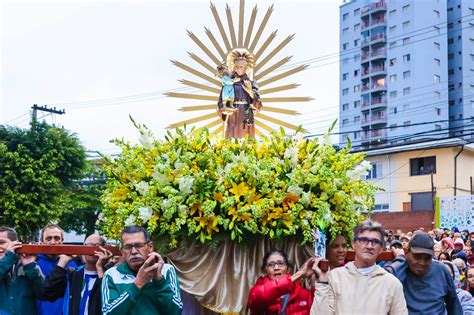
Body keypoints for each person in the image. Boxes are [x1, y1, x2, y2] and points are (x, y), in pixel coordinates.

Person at [311, 220, 407, 314]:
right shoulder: (335, 277)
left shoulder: (392, 284)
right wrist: (322, 284)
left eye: (375, 241)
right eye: (364, 240)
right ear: (353, 244)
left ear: (381, 248)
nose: (369, 246)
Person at [101, 226, 182, 314]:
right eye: (128, 247)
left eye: (139, 245)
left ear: (150, 247)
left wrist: (159, 280)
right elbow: (107, 312)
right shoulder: (112, 274)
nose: (134, 251)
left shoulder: (166, 270)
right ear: (122, 251)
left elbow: (175, 311)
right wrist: (137, 285)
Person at [385, 231, 462, 314]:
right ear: (407, 252)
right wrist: (401, 259)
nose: (422, 262)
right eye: (417, 257)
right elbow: (384, 283)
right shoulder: (400, 269)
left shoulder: (441, 270)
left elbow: (454, 305)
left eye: (427, 258)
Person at [42, 234, 113, 315]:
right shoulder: (72, 275)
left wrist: (100, 268)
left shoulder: (111, 275)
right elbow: (47, 291)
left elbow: (109, 301)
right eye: (88, 245)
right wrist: (62, 262)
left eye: (97, 246)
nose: (93, 249)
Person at [0, 226, 56, 314]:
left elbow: (45, 294)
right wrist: (9, 257)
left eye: (1, 242)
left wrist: (31, 266)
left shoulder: (27, 266)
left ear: (15, 244)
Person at [248, 249, 314, 315]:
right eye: (271, 264)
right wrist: (299, 274)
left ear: (288, 269)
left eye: (281, 263)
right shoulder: (256, 291)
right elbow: (257, 298)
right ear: (265, 270)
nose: (276, 268)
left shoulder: (304, 294)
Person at [217, 48, 262, 139]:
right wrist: (224, 109)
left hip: (246, 114)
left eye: (241, 66)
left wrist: (250, 92)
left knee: (246, 141)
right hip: (232, 114)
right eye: (236, 66)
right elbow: (221, 101)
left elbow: (258, 104)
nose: (238, 68)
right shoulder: (229, 83)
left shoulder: (251, 83)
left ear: (246, 67)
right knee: (231, 139)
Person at [36, 224, 77, 315]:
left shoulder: (71, 264)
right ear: (41, 242)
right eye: (48, 238)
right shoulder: (33, 263)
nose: (53, 242)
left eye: (57, 238)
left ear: (62, 241)